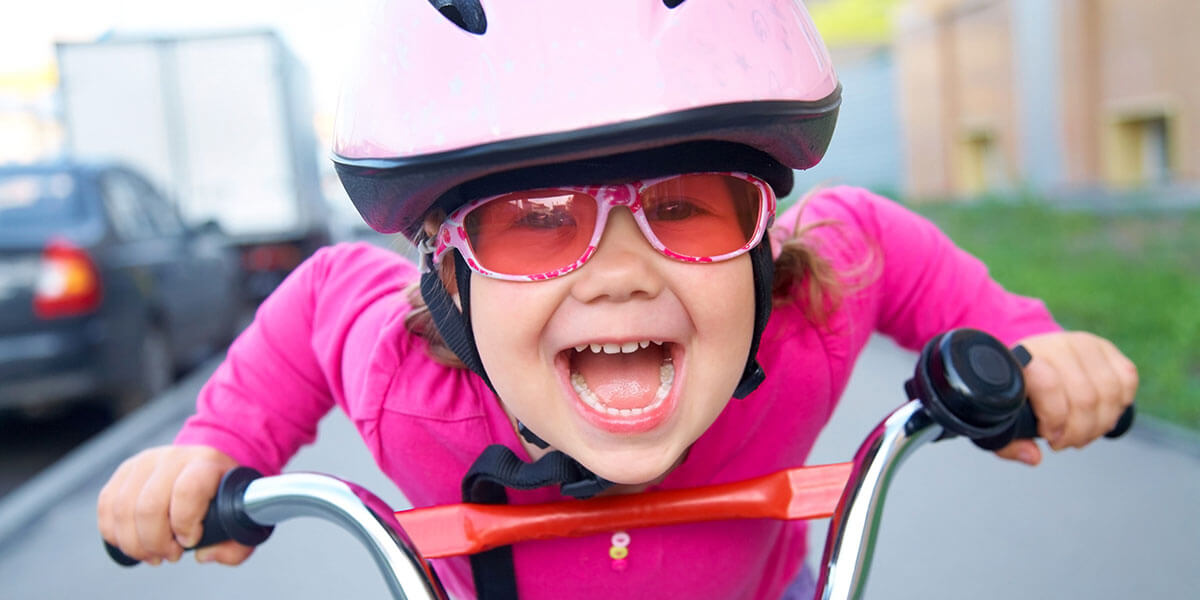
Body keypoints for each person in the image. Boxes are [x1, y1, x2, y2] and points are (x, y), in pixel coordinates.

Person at [96, 2, 1138, 599]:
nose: (623, 272)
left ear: (763, 245)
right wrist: (216, 445)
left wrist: (1027, 342)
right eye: (535, 217)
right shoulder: (411, 385)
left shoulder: (806, 318)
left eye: (687, 208)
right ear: (449, 285)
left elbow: (877, 240)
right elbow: (322, 294)